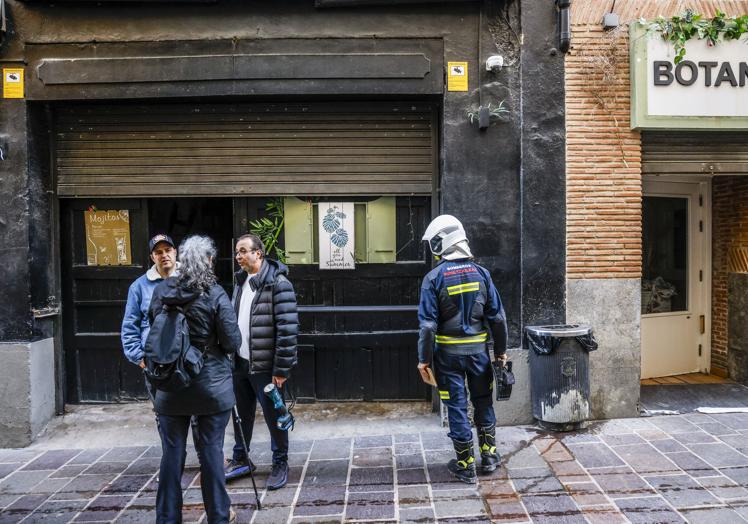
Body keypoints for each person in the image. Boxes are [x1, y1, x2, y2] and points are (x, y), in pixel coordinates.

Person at [148, 235, 241, 524]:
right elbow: (232, 341)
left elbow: (156, 332)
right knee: (212, 451)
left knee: (172, 454)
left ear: (183, 261)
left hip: (170, 388)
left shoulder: (163, 291)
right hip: (210, 388)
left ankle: (166, 518)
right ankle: (218, 516)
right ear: (210, 262)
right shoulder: (215, 294)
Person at [416, 215, 508, 484]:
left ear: (442, 242)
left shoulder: (433, 278)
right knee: (483, 401)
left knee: (456, 408)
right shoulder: (482, 274)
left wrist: (424, 359)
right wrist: (500, 352)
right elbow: (498, 319)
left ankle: (465, 465)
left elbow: (427, 327)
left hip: (447, 359)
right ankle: (489, 456)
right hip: (479, 355)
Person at [225, 233, 298, 490]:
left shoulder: (278, 284)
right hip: (241, 363)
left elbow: (288, 329)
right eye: (237, 252)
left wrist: (281, 368)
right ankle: (241, 458)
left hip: (267, 367)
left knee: (275, 416)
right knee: (240, 417)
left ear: (259, 253)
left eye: (243, 251)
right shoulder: (240, 282)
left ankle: (280, 462)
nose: (239, 256)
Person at [121, 234, 178, 369]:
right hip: (154, 360)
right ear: (153, 257)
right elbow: (130, 325)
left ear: (175, 252)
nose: (164, 255)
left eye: (168, 250)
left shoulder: (190, 279)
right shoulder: (139, 287)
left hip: (185, 356)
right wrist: (138, 356)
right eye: (158, 252)